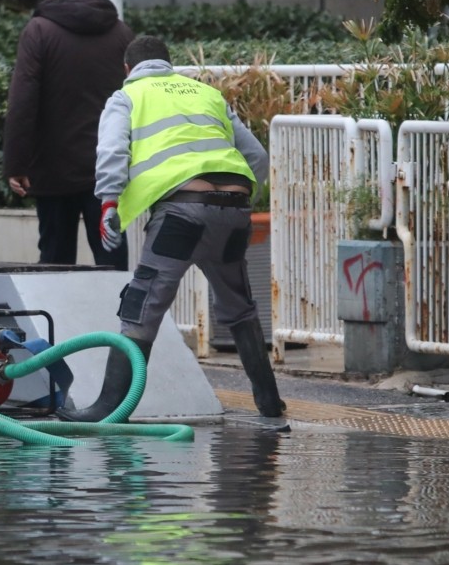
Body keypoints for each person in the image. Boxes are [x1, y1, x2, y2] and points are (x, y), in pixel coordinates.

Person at [63, 33, 286, 422]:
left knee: (141, 306)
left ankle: (108, 409)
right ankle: (269, 403)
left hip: (182, 214)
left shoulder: (127, 96)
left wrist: (109, 203)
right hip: (234, 210)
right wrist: (238, 199)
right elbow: (257, 156)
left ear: (128, 69)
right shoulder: (207, 95)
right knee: (239, 308)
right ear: (169, 64)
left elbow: (112, 150)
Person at [1, 0, 133, 269]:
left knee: (55, 264)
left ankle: (58, 306)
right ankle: (119, 304)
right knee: (112, 260)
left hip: (53, 169)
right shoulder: (121, 32)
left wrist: (16, 163)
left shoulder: (39, 30)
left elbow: (23, 100)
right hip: (107, 166)